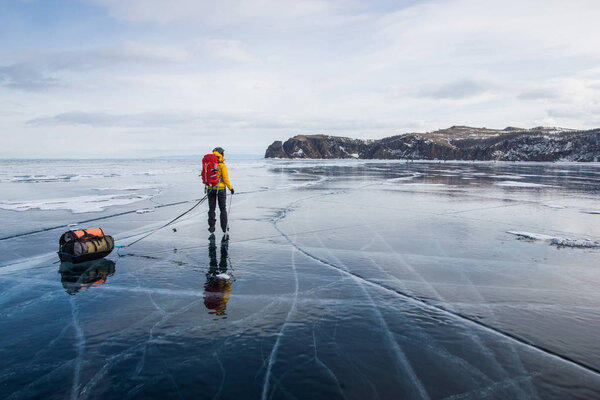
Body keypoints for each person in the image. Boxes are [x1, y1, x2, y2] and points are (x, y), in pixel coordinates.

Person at [206, 147, 234, 233]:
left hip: (210, 188)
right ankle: (224, 227)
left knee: (211, 208)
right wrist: (231, 188)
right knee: (222, 209)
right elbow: (225, 179)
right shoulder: (222, 165)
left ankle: (212, 226)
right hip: (221, 189)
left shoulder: (208, 163)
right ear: (221, 154)